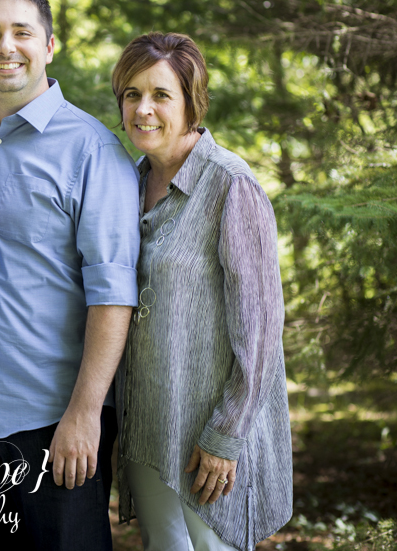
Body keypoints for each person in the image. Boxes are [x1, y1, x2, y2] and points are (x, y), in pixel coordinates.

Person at [0, 0, 140, 549]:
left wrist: (85, 413)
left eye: (22, 32)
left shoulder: (91, 150)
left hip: (56, 422)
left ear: (50, 45)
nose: (6, 47)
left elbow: (113, 295)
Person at [111, 32, 292, 550]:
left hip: (208, 441)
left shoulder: (231, 185)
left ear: (191, 102)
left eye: (161, 95)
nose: (143, 109)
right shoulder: (128, 184)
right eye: (131, 94)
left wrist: (225, 435)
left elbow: (259, 331)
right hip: (147, 426)